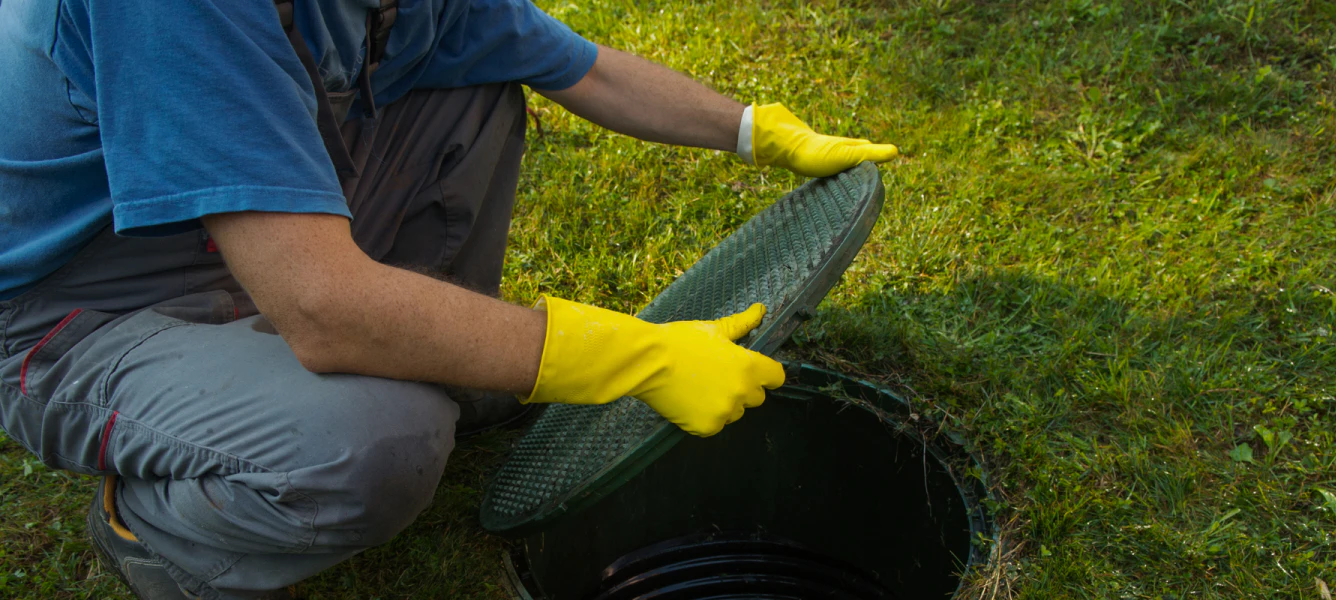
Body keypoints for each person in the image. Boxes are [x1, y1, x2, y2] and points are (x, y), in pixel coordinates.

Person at [0, 0, 898, 598]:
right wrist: (631, 354)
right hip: (82, 306)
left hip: (246, 228)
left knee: (470, 86)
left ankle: (440, 367)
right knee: (371, 442)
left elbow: (578, 67)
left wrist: (755, 131)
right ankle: (151, 528)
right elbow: (322, 306)